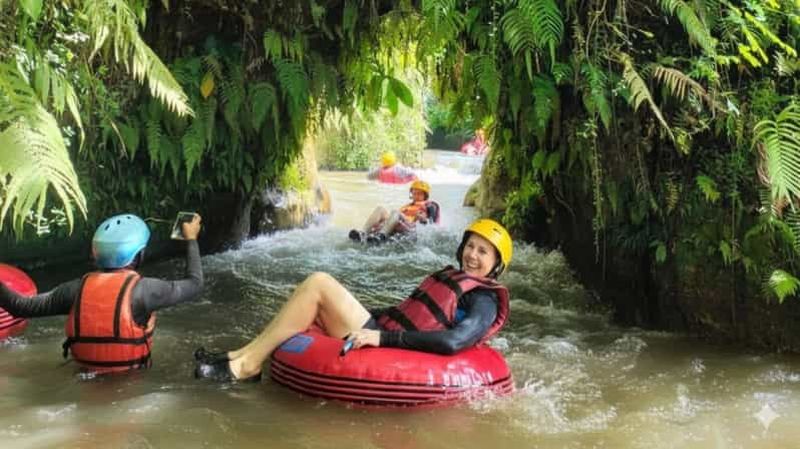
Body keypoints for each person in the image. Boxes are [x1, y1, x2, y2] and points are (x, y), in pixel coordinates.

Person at [194, 218, 512, 382]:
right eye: (471, 246)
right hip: (385, 332)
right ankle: (242, 355)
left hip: (395, 347)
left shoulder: (484, 300)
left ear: (496, 265)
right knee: (318, 292)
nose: (472, 255)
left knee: (319, 282)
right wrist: (364, 313)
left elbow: (454, 341)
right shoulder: (454, 278)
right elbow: (409, 312)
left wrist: (380, 336)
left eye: (483, 251)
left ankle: (248, 365)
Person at [0, 213, 204, 374]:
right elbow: (195, 284)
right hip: (131, 384)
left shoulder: (75, 289)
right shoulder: (145, 291)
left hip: (84, 379)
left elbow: (18, 306)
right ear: (140, 255)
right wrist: (191, 239)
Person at [348, 180, 440, 243]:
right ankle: (363, 233)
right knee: (380, 209)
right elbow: (393, 218)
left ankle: (381, 237)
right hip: (399, 224)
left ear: (425, 195)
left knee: (395, 212)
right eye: (414, 193)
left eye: (419, 193)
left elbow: (432, 224)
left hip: (412, 228)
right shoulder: (407, 206)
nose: (416, 195)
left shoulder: (430, 204)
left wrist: (423, 219)